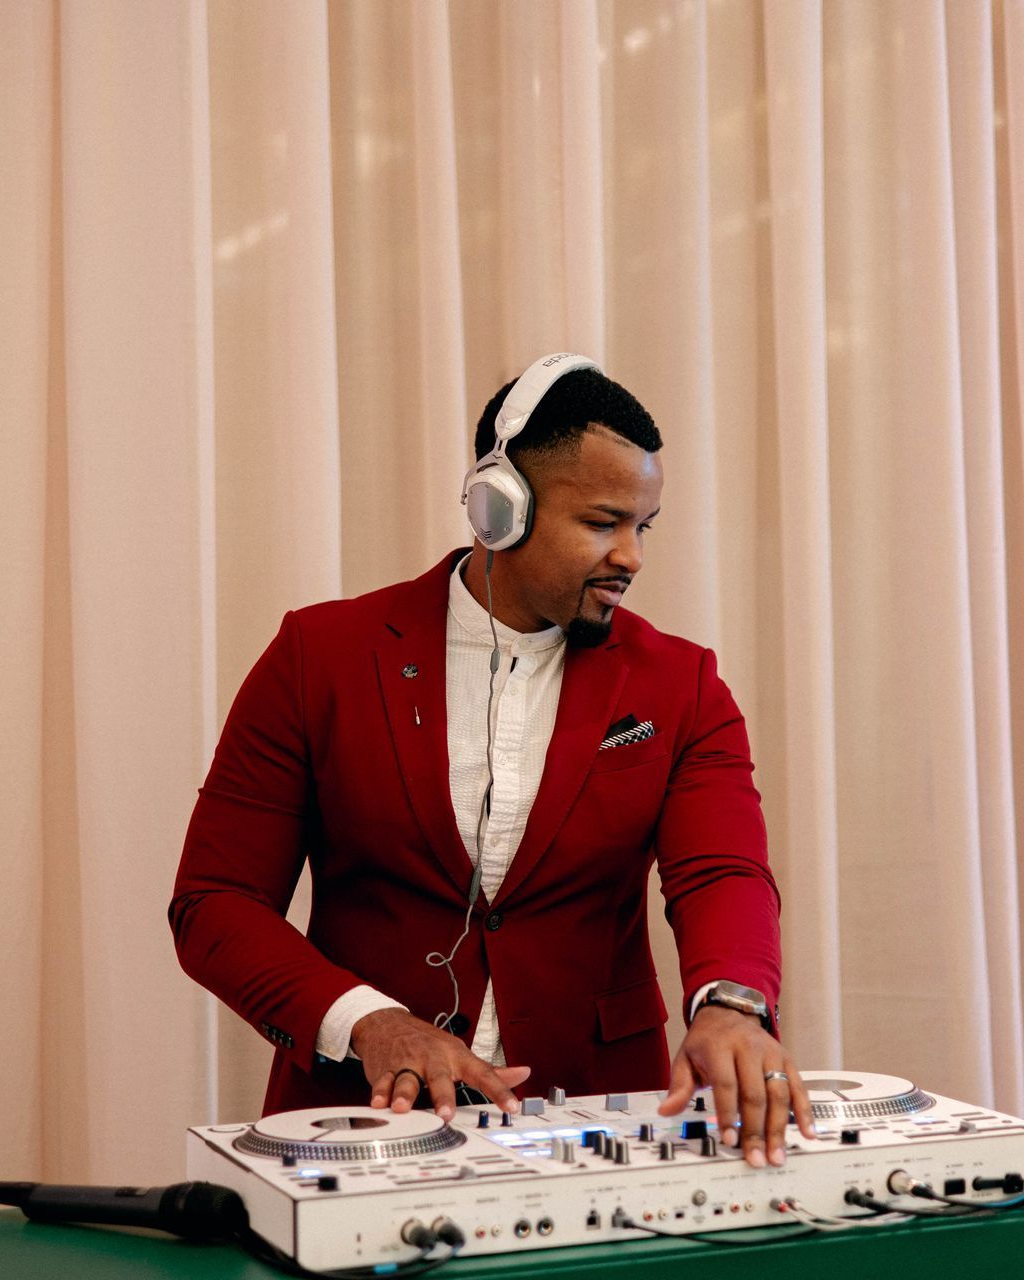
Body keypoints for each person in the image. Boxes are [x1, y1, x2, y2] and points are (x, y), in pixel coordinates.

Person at [170, 354, 813, 1167]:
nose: (631, 557)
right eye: (602, 523)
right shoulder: (318, 656)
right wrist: (366, 1020)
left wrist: (731, 1002)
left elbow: (722, 870)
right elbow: (215, 902)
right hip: (358, 1123)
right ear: (499, 508)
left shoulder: (682, 683)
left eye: (642, 527)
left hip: (595, 1119)